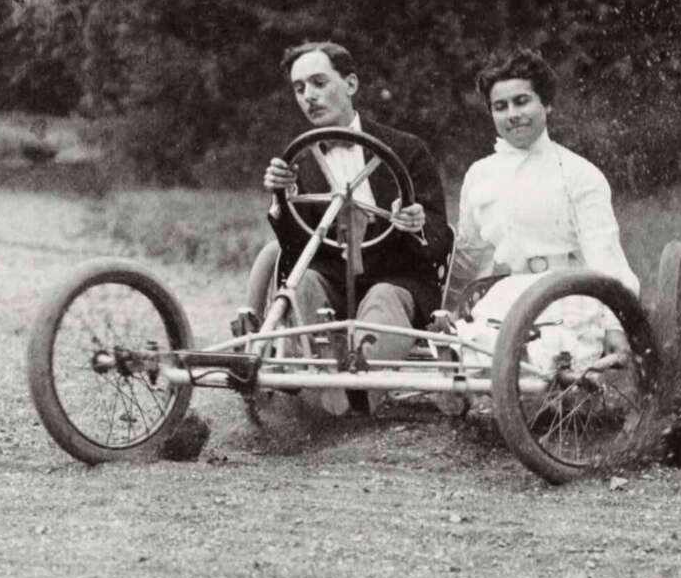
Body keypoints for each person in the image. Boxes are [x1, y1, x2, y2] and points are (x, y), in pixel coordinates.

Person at [263, 41, 453, 414]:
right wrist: (281, 200)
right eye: (299, 88)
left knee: (383, 297)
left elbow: (440, 235)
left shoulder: (406, 148)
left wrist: (416, 222)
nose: (309, 97)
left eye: (319, 83)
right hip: (333, 279)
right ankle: (319, 377)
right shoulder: (300, 158)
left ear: (350, 84)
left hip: (398, 277)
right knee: (303, 283)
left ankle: (356, 394)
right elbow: (296, 249)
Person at [447, 48, 638, 371]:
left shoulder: (578, 174)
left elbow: (605, 256)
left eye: (522, 101)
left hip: (568, 294)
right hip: (508, 293)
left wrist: (616, 326)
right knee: (471, 343)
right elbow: (470, 254)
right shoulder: (481, 175)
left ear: (545, 104)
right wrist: (449, 306)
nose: (512, 115)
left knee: (535, 357)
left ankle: (522, 371)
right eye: (500, 107)